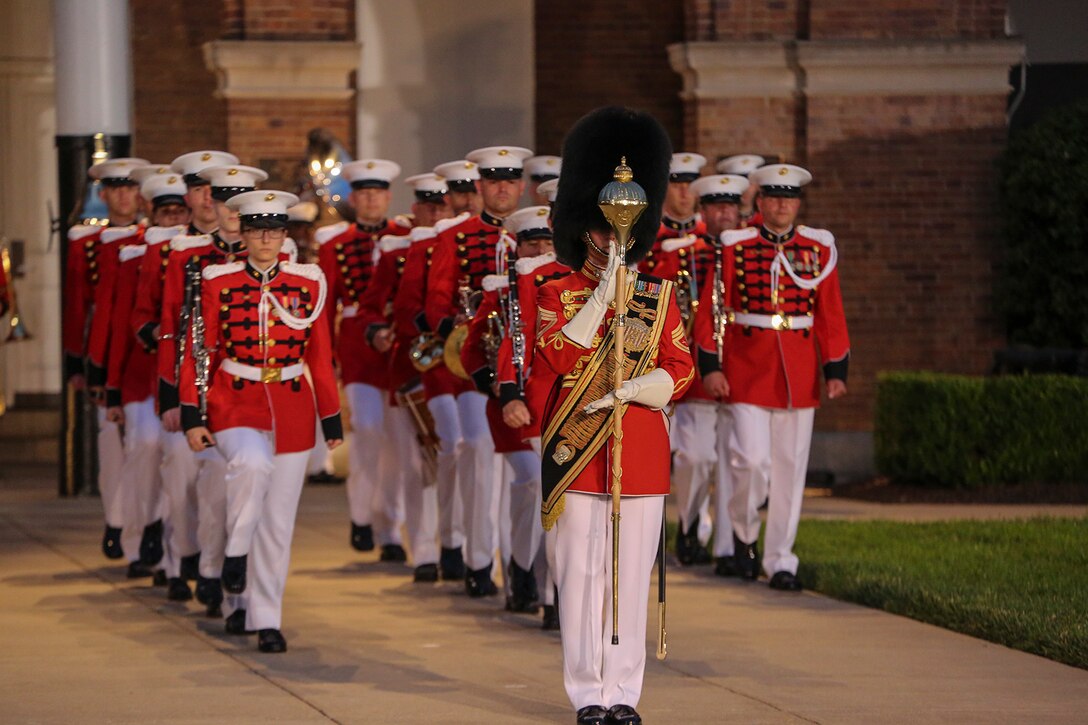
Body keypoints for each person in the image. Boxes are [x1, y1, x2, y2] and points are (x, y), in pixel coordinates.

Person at [533, 106, 691, 725]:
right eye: (600, 229)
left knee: (627, 579)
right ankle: (586, 692)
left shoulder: (660, 298)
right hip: (579, 453)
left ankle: (622, 692)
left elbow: (681, 368)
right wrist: (600, 300)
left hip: (642, 454)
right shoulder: (555, 292)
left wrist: (645, 386)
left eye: (619, 229)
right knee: (579, 578)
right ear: (584, 230)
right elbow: (554, 357)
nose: (611, 238)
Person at [181, 189, 343, 653]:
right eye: (257, 230)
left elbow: (321, 354)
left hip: (292, 403)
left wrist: (329, 419)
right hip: (234, 398)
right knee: (250, 466)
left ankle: (263, 615)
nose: (266, 238)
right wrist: (193, 413)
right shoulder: (219, 281)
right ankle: (233, 554)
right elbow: (202, 352)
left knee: (276, 521)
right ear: (244, 234)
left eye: (275, 230)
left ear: (284, 235)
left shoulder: (308, 282)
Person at [694, 163, 850, 591]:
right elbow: (711, 308)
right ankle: (744, 534)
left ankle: (781, 559)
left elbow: (829, 312)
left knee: (789, 470)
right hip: (746, 366)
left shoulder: (818, 249)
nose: (782, 205)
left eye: (790, 198)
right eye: (774, 197)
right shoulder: (736, 245)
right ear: (759, 202)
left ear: (798, 204)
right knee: (751, 461)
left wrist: (834, 367)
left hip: (798, 372)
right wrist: (711, 366)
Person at [425, 144, 533, 597]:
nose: (502, 188)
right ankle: (478, 559)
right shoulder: (457, 235)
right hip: (476, 368)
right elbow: (437, 300)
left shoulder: (538, 232)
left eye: (510, 180)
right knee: (481, 456)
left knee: (525, 472)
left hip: (527, 371)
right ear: (481, 187)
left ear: (521, 185)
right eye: (493, 181)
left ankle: (521, 564)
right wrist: (465, 335)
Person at [317, 158, 411, 558]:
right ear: (354, 198)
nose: (371, 199)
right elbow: (325, 306)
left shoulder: (405, 236)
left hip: (401, 348)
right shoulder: (335, 244)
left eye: (378, 193)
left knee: (399, 444)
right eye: (364, 193)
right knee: (369, 433)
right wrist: (329, 360)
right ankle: (361, 515)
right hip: (356, 348)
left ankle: (389, 528)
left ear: (388, 197)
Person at [656, 174, 750, 572]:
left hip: (744, 368)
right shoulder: (679, 251)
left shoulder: (746, 249)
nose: (724, 213)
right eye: (716, 207)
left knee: (737, 461)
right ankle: (690, 523)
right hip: (694, 369)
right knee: (695, 457)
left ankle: (731, 544)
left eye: (731, 206)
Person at [62, 157, 148, 564]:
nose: (124, 196)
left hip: (144, 351)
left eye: (131, 188)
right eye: (116, 189)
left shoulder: (158, 239)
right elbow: (78, 305)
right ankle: (116, 520)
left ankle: (145, 526)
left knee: (146, 446)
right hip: (103, 349)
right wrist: (76, 363)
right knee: (112, 445)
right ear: (103, 194)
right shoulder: (86, 244)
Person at [639, 152, 706, 277]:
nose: (684, 194)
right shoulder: (649, 238)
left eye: (689, 186)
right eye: (676, 186)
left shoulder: (707, 235)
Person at [715, 154, 765, 227]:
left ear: (757, 186)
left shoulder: (766, 222)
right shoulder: (717, 221)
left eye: (749, 183)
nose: (744, 189)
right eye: (738, 184)